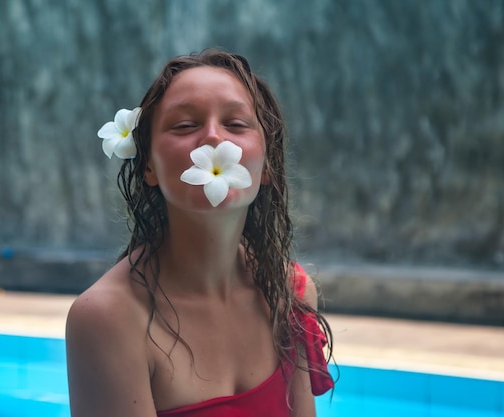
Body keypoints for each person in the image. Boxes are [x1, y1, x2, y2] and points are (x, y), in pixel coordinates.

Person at [65, 49, 334, 417]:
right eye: (184, 125)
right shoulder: (110, 318)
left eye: (236, 124)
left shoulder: (292, 292)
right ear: (149, 165)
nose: (213, 138)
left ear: (267, 164)